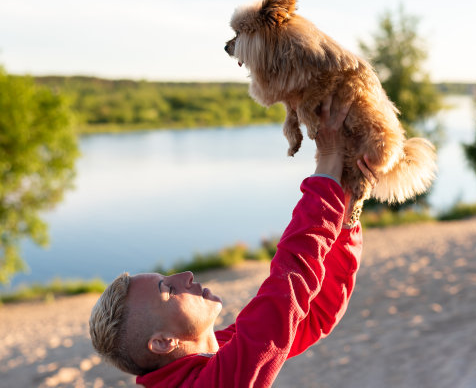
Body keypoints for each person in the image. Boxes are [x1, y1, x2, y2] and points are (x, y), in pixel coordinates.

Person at [89, 96, 378, 387]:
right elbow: (285, 290)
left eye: (168, 277)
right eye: (168, 290)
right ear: (164, 342)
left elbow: (312, 317)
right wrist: (328, 159)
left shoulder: (211, 355)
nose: (185, 276)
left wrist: (347, 214)